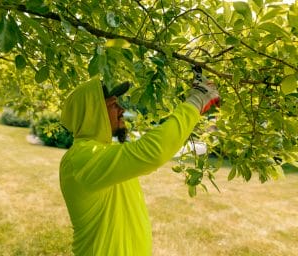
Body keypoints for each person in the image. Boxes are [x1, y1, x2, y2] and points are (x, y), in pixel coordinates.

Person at [59, 75, 219, 256]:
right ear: (92, 113)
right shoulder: (81, 158)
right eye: (113, 105)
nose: (121, 109)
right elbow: (153, 151)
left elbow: (155, 147)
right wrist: (196, 101)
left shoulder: (103, 152)